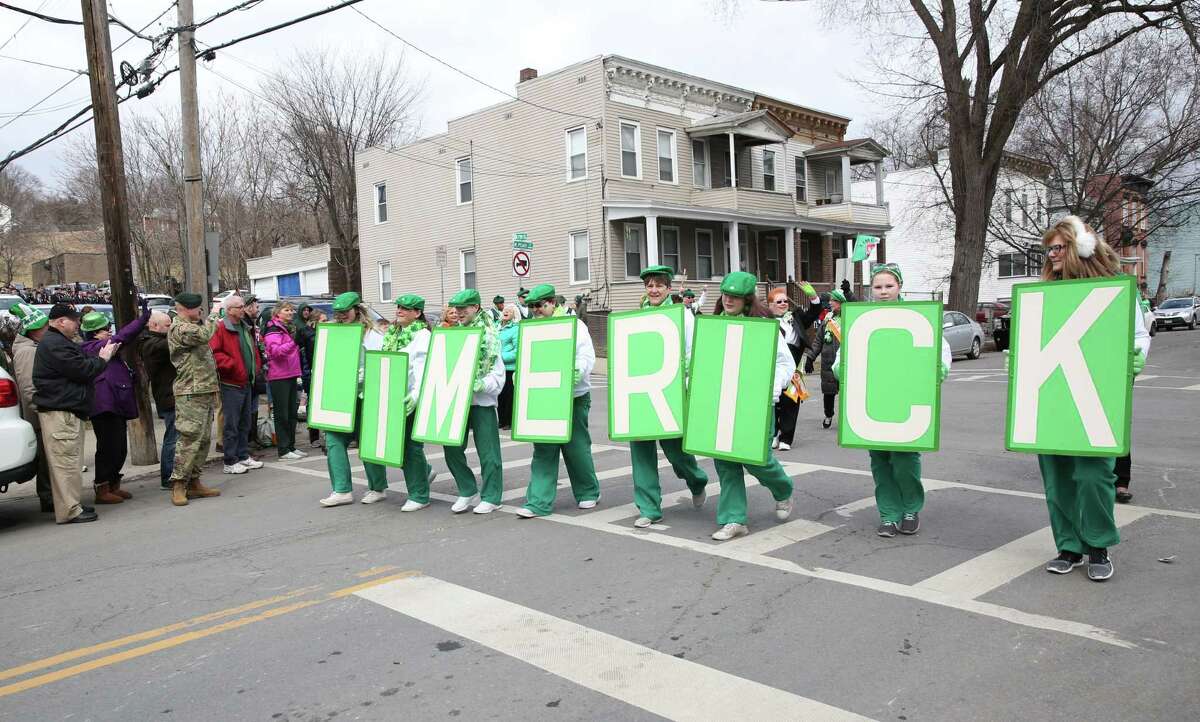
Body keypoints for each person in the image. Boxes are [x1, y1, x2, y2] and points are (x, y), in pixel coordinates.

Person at [1033, 216, 1149, 582]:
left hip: (1094, 394)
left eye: (1058, 247)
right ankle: (1068, 546)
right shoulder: (1043, 293)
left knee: (1094, 475)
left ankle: (1098, 544)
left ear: (1080, 247)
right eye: (1048, 249)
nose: (1051, 255)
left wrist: (1134, 357)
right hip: (1052, 395)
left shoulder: (1114, 289)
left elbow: (1138, 334)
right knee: (1057, 478)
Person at [835, 263, 951, 539]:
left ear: (899, 287)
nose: (883, 292)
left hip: (905, 401)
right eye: (878, 287)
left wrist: (939, 369)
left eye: (889, 286)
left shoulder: (918, 317)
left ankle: (911, 508)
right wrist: (842, 369)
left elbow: (939, 350)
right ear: (870, 290)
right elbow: (844, 356)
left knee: (905, 460)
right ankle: (888, 513)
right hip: (873, 403)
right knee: (880, 462)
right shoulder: (860, 319)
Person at [707, 272, 796, 541]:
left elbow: (785, 364)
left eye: (734, 296)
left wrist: (772, 388)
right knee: (724, 460)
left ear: (747, 300)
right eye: (725, 295)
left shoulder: (763, 325)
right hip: (722, 402)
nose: (728, 300)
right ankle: (734, 519)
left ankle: (783, 488)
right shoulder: (711, 326)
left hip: (756, 403)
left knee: (757, 459)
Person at [628, 266, 710, 528]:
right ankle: (649, 508)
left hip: (671, 391)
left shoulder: (683, 316)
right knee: (641, 451)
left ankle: (696, 480)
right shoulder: (636, 317)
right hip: (641, 391)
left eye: (658, 286)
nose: (653, 290)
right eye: (649, 285)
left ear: (668, 289)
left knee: (676, 451)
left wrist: (684, 384)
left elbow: (692, 351)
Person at [517, 285, 601, 518]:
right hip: (545, 396)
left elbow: (586, 355)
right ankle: (538, 502)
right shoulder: (531, 328)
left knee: (576, 448)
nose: (536, 310)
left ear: (552, 302)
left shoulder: (575, 325)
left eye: (540, 305)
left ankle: (588, 492)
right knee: (543, 448)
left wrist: (577, 370)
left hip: (574, 396)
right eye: (532, 306)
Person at [33, 304, 120, 524]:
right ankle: (70, 510)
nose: (78, 326)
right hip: (61, 411)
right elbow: (82, 370)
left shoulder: (57, 343)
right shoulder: (55, 345)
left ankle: (72, 505)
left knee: (68, 462)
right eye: (75, 321)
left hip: (66, 408)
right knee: (66, 464)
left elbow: (80, 366)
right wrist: (103, 359)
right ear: (61, 321)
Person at [318, 292, 391, 506]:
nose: (341, 317)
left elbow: (382, 364)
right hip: (339, 395)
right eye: (338, 314)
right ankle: (341, 490)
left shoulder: (373, 335)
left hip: (364, 395)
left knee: (367, 441)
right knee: (333, 441)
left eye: (345, 313)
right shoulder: (333, 333)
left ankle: (378, 487)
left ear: (357, 311)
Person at [441, 289, 506, 514]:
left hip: (482, 403)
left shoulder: (490, 335)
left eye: (463, 308)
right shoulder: (454, 334)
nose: (458, 313)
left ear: (476, 308)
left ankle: (491, 496)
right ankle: (467, 489)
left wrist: (480, 385)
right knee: (450, 447)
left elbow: (498, 374)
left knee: (488, 451)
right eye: (456, 309)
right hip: (456, 400)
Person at [80, 305, 151, 504]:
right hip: (103, 406)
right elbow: (123, 336)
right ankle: (102, 487)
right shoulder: (92, 348)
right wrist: (141, 320)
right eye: (105, 329)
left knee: (119, 447)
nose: (109, 332)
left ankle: (112, 484)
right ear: (94, 334)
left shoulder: (104, 348)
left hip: (114, 404)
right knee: (108, 447)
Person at [378, 294, 437, 511]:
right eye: (398, 307)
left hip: (410, 397)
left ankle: (420, 495)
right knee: (397, 444)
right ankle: (425, 473)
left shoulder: (422, 335)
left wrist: (416, 394)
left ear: (417, 313)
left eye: (405, 308)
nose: (399, 311)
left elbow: (422, 367)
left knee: (411, 447)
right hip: (393, 395)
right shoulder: (394, 333)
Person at [166, 293, 222, 506]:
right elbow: (204, 334)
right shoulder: (179, 328)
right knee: (189, 439)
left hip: (205, 390)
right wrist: (214, 315)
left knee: (203, 439)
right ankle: (179, 484)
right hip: (190, 392)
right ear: (183, 308)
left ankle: (194, 481)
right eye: (197, 308)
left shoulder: (192, 325)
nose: (200, 311)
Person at [209, 295, 264, 475]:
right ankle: (230, 460)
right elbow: (215, 353)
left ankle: (242, 455)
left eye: (243, 306)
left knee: (244, 423)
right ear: (230, 310)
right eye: (239, 307)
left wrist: (255, 366)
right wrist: (233, 365)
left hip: (246, 381)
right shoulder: (221, 328)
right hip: (231, 382)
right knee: (231, 424)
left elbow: (252, 349)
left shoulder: (244, 327)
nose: (243, 309)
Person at [9, 303, 54, 512]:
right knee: (46, 459)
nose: (47, 330)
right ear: (33, 330)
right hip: (40, 414)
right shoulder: (27, 352)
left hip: (42, 410)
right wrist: (43, 410)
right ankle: (48, 497)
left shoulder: (32, 347)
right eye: (43, 327)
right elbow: (29, 387)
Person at [768, 284, 816, 451]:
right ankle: (773, 434)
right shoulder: (766, 322)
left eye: (785, 301)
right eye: (778, 301)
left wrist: (813, 298)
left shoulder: (795, 317)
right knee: (773, 400)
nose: (783, 304)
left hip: (794, 364)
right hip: (773, 364)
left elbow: (813, 314)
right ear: (770, 305)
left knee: (791, 401)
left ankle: (786, 438)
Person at [138, 311, 178, 490]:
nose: (171, 329)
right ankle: (168, 476)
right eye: (168, 325)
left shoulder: (155, 341)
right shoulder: (154, 344)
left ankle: (174, 474)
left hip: (170, 394)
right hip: (168, 396)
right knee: (173, 438)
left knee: (176, 437)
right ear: (154, 326)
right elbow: (174, 344)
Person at [263, 302, 305, 460]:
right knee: (282, 414)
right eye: (286, 310)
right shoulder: (273, 329)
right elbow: (276, 352)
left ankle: (291, 446)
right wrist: (293, 342)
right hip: (279, 375)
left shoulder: (288, 328)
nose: (291, 312)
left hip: (291, 373)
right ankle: (283, 449)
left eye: (292, 310)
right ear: (277, 313)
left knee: (292, 413)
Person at [804, 289, 850, 429]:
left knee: (847, 392)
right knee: (829, 393)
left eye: (834, 301)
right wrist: (811, 357)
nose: (830, 303)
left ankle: (848, 418)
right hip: (828, 362)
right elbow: (818, 340)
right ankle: (828, 415)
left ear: (841, 303)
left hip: (845, 362)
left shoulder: (850, 318)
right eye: (830, 300)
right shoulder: (828, 318)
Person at [295, 303, 320, 449]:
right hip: (309, 372)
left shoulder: (316, 333)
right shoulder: (305, 332)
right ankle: (314, 436)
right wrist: (306, 373)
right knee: (312, 402)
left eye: (307, 310)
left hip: (315, 371)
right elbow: (303, 354)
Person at [497, 305, 519, 430]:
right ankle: (501, 420)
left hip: (510, 368)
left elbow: (517, 351)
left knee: (509, 396)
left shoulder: (516, 329)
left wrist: (499, 356)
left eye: (509, 311)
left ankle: (509, 421)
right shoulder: (497, 327)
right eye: (505, 310)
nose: (506, 311)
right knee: (499, 396)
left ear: (514, 314)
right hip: (498, 367)